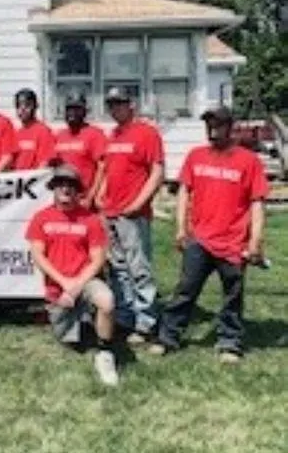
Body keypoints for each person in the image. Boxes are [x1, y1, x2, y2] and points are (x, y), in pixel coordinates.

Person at [150, 106, 268, 363]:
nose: (212, 131)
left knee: (232, 295)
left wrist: (255, 241)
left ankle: (230, 342)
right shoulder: (196, 156)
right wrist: (181, 228)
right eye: (209, 126)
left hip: (233, 242)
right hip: (200, 239)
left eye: (218, 126)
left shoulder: (249, 161)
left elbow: (257, 202)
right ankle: (168, 337)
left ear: (230, 127)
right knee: (185, 290)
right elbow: (184, 191)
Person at [26, 164, 119, 386]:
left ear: (77, 190)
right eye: (61, 184)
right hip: (58, 288)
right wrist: (65, 283)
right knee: (69, 340)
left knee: (107, 301)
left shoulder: (90, 219)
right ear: (54, 188)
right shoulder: (41, 218)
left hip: (85, 280)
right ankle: (79, 320)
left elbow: (98, 259)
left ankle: (105, 354)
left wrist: (76, 285)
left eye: (71, 185)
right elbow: (38, 255)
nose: (65, 189)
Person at [99, 87, 164, 344]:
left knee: (139, 269)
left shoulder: (147, 133)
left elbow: (157, 172)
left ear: (131, 105)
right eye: (111, 104)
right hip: (112, 212)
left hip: (133, 214)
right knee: (119, 269)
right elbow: (109, 170)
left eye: (119, 103)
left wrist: (139, 203)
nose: (115, 108)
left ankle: (146, 322)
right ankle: (125, 318)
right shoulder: (113, 135)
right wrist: (102, 195)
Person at [51, 91, 107, 206]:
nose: (72, 113)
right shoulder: (59, 136)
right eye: (69, 109)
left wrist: (91, 197)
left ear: (85, 111)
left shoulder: (95, 134)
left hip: (84, 199)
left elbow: (102, 168)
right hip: (63, 199)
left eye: (77, 109)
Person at [12, 89, 56, 170]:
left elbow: (45, 162)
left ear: (35, 106)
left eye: (27, 105)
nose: (22, 109)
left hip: (34, 177)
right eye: (18, 105)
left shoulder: (43, 131)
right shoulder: (16, 133)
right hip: (17, 176)